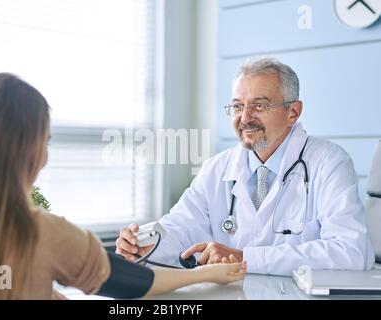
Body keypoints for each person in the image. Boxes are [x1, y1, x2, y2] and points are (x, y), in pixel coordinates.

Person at [0, 73, 246, 300]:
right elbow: (136, 283)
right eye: (46, 142)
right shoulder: (41, 232)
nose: (45, 157)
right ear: (27, 151)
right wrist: (203, 274)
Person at [116, 56, 375, 276]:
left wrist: (245, 257)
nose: (245, 118)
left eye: (259, 106)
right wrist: (146, 246)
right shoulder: (217, 168)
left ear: (292, 112)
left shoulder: (329, 162)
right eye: (238, 106)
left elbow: (352, 252)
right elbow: (180, 227)